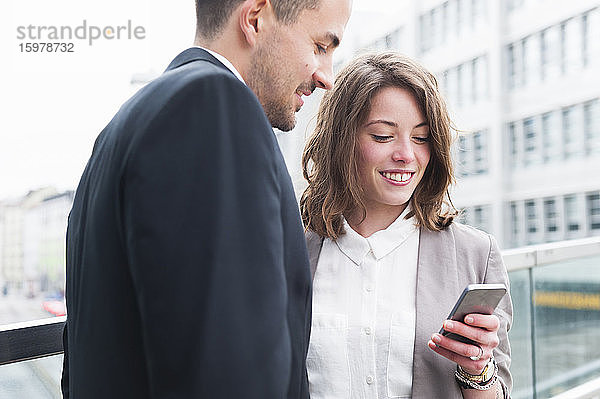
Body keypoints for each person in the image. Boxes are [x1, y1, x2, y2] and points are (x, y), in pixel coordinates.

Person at [61, 0, 351, 397]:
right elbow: (229, 374)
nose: (326, 77)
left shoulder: (121, 129)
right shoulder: (214, 104)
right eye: (320, 45)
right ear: (255, 18)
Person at [301, 52, 512, 399]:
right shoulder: (293, 250)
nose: (406, 155)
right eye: (383, 136)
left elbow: (500, 391)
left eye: (421, 137)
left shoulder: (477, 254)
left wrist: (477, 371)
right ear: (341, 142)